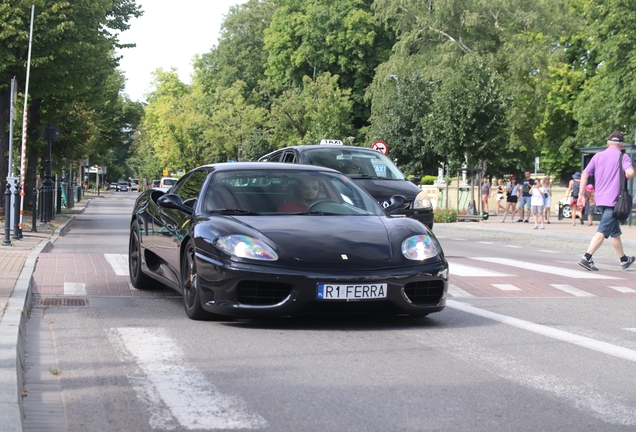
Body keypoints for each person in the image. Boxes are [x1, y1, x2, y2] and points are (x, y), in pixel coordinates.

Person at [577, 131, 635, 271]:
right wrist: (623, 177)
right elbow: (630, 172)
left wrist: (581, 194)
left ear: (607, 143)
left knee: (614, 232)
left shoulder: (597, 156)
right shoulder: (623, 156)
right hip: (615, 201)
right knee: (603, 230)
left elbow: (584, 175)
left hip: (600, 200)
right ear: (621, 145)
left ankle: (624, 259)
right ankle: (587, 257)